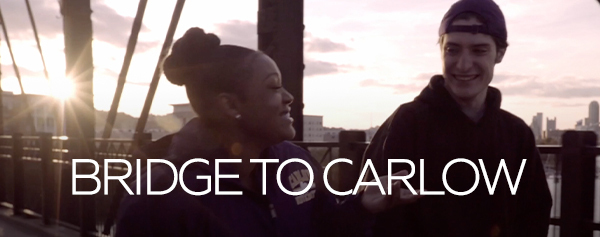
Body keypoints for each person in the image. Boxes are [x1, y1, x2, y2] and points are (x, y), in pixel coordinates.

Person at [116, 27, 420, 237]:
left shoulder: (295, 163)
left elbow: (326, 228)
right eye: (274, 86)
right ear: (231, 104)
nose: (290, 97)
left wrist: (362, 204)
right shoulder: (159, 198)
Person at [363, 0, 553, 236]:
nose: (463, 65)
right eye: (452, 49)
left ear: (500, 53)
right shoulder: (406, 124)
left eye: (479, 50)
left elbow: (534, 213)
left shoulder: (516, 133)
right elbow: (376, 219)